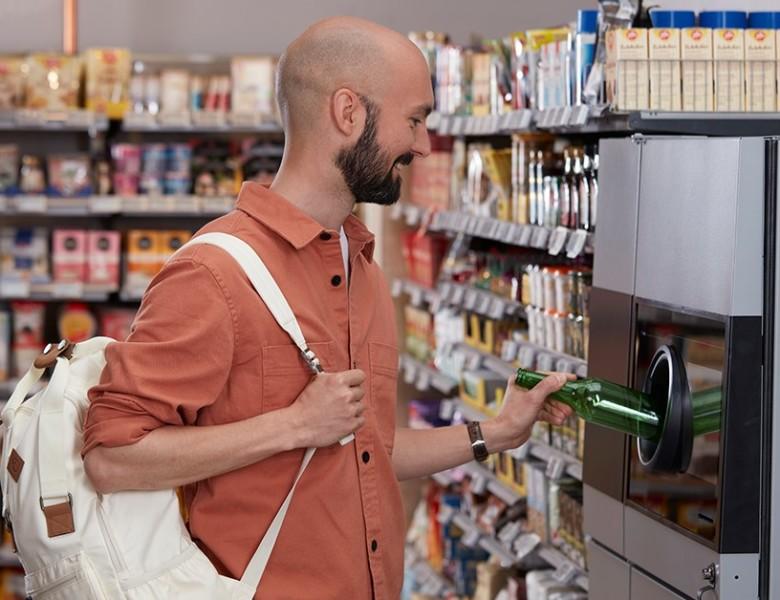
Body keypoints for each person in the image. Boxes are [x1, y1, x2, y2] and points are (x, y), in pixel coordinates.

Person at [82, 16, 573, 599]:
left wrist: (495, 432)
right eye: (414, 119)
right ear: (349, 113)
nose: (422, 144)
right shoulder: (214, 274)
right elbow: (113, 458)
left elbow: (368, 451)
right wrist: (292, 425)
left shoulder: (360, 268)